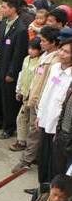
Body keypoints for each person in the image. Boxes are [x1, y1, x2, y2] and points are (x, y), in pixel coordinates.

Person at [14, 26, 61, 173]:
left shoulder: (55, 62)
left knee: (35, 133)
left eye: (44, 41)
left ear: (53, 43)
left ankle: (26, 161)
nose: (41, 43)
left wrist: (40, 102)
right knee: (32, 130)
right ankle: (34, 157)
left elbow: (50, 85)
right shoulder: (44, 56)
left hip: (41, 102)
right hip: (33, 98)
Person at [0, 0, 29, 140]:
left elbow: (19, 55)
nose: (2, 9)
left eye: (5, 7)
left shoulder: (20, 29)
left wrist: (12, 73)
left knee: (9, 100)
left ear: (13, 9)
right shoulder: (3, 23)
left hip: (9, 70)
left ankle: (9, 127)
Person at [36, 39, 72, 183]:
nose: (62, 54)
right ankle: (42, 186)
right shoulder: (55, 67)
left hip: (60, 125)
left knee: (56, 160)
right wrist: (39, 114)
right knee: (43, 155)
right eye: (61, 50)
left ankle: (52, 188)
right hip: (46, 116)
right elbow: (46, 91)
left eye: (67, 52)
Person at [11, 38, 44, 153]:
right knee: (23, 118)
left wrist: (31, 94)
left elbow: (36, 80)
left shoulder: (41, 62)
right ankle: (23, 142)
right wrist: (18, 90)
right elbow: (22, 74)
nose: (30, 51)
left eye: (34, 49)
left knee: (26, 119)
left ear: (39, 50)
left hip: (33, 96)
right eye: (29, 48)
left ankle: (24, 143)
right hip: (24, 93)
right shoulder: (26, 59)